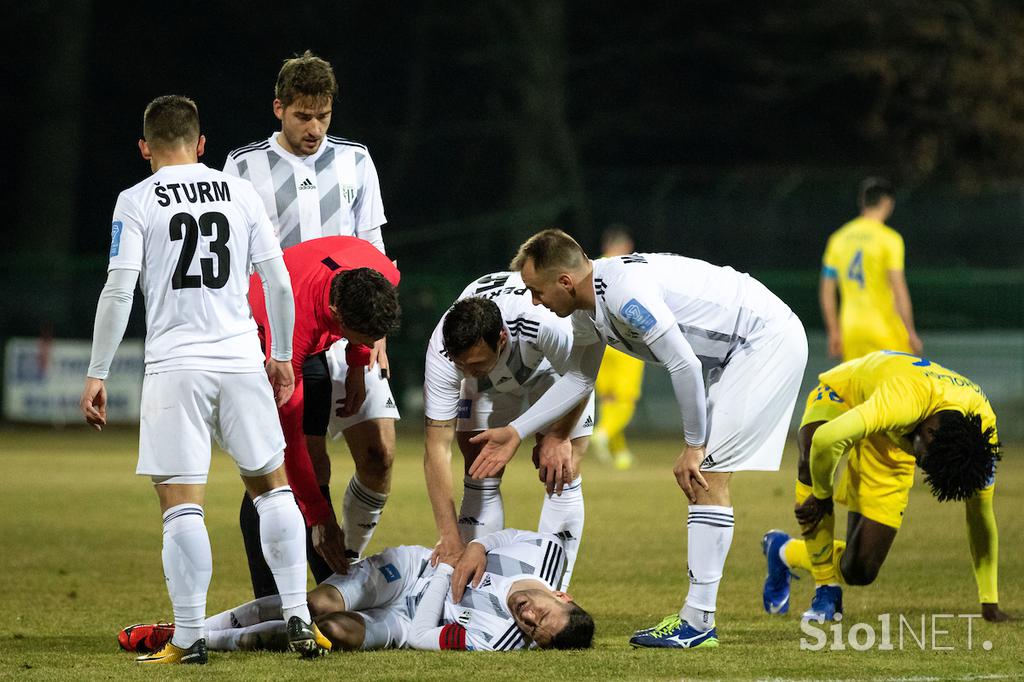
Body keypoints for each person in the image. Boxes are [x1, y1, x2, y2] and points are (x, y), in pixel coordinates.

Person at [468, 229, 808, 649]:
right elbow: (578, 377)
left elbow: (682, 364)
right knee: (707, 478)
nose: (535, 302)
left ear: (565, 282)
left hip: (761, 340)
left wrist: (693, 445)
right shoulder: (585, 308)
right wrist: (517, 432)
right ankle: (697, 619)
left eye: (537, 291)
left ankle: (698, 622)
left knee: (706, 475)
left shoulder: (625, 294)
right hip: (734, 352)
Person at [79, 95, 328, 663]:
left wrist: (98, 373)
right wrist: (282, 354)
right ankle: (297, 619)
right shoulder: (240, 191)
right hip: (243, 359)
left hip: (176, 365)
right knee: (273, 487)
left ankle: (190, 639)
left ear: (145, 148)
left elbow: (120, 289)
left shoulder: (136, 199)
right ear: (202, 144)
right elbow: (280, 283)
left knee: (179, 502)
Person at [223, 51, 398, 597]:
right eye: (303, 115)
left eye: (323, 115)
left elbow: (372, 250)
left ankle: (341, 566)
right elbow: (233, 257)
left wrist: (375, 341)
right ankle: (285, 591)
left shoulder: (356, 160)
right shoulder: (242, 167)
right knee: (293, 462)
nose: (314, 128)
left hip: (348, 325)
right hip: (281, 332)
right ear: (279, 108)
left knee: (380, 455)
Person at [761, 350, 1006, 623]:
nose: (918, 462)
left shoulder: (979, 445)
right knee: (810, 457)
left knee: (860, 570)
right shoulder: (903, 402)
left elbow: (980, 517)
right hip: (849, 393)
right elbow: (826, 439)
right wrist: (821, 495)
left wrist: (989, 600)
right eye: (921, 458)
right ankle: (825, 589)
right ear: (929, 432)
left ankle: (783, 550)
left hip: (892, 441)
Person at [118, 529, 595, 652]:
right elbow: (499, 538)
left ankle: (198, 638)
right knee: (315, 602)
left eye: (536, 634)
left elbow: (417, 635)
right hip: (407, 568)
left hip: (406, 617)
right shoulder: (548, 553)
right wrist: (473, 546)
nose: (529, 620)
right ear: (563, 597)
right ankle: (186, 630)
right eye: (543, 617)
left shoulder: (498, 642)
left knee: (331, 631)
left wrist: (449, 574)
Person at [246, 236, 401, 584]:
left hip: (311, 312)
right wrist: (320, 518)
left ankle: (331, 583)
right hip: (260, 338)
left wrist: (358, 365)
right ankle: (269, 595)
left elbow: (364, 336)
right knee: (270, 470)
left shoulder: (385, 275)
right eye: (359, 336)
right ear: (336, 315)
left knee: (316, 466)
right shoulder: (294, 328)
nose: (366, 342)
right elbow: (291, 439)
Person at [423, 272, 592, 589]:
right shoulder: (444, 355)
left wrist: (558, 436)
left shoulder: (544, 321)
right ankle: (478, 587)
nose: (466, 372)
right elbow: (436, 448)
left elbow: (581, 378)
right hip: (493, 389)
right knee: (478, 467)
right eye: (462, 366)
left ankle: (553, 591)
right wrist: (449, 537)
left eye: (475, 363)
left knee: (561, 469)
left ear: (501, 338)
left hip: (553, 373)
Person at [820, 177, 923, 361]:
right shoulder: (890, 239)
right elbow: (899, 289)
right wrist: (910, 331)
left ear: (862, 201)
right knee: (895, 386)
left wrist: (834, 331)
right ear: (887, 203)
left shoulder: (838, 239)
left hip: (851, 330)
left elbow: (827, 291)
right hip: (885, 329)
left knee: (861, 388)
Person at [590, 226, 646, 470]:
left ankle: (620, 453)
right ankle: (602, 433)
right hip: (625, 342)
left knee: (609, 401)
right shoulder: (627, 269)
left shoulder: (591, 269)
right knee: (625, 400)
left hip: (599, 343)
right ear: (624, 247)